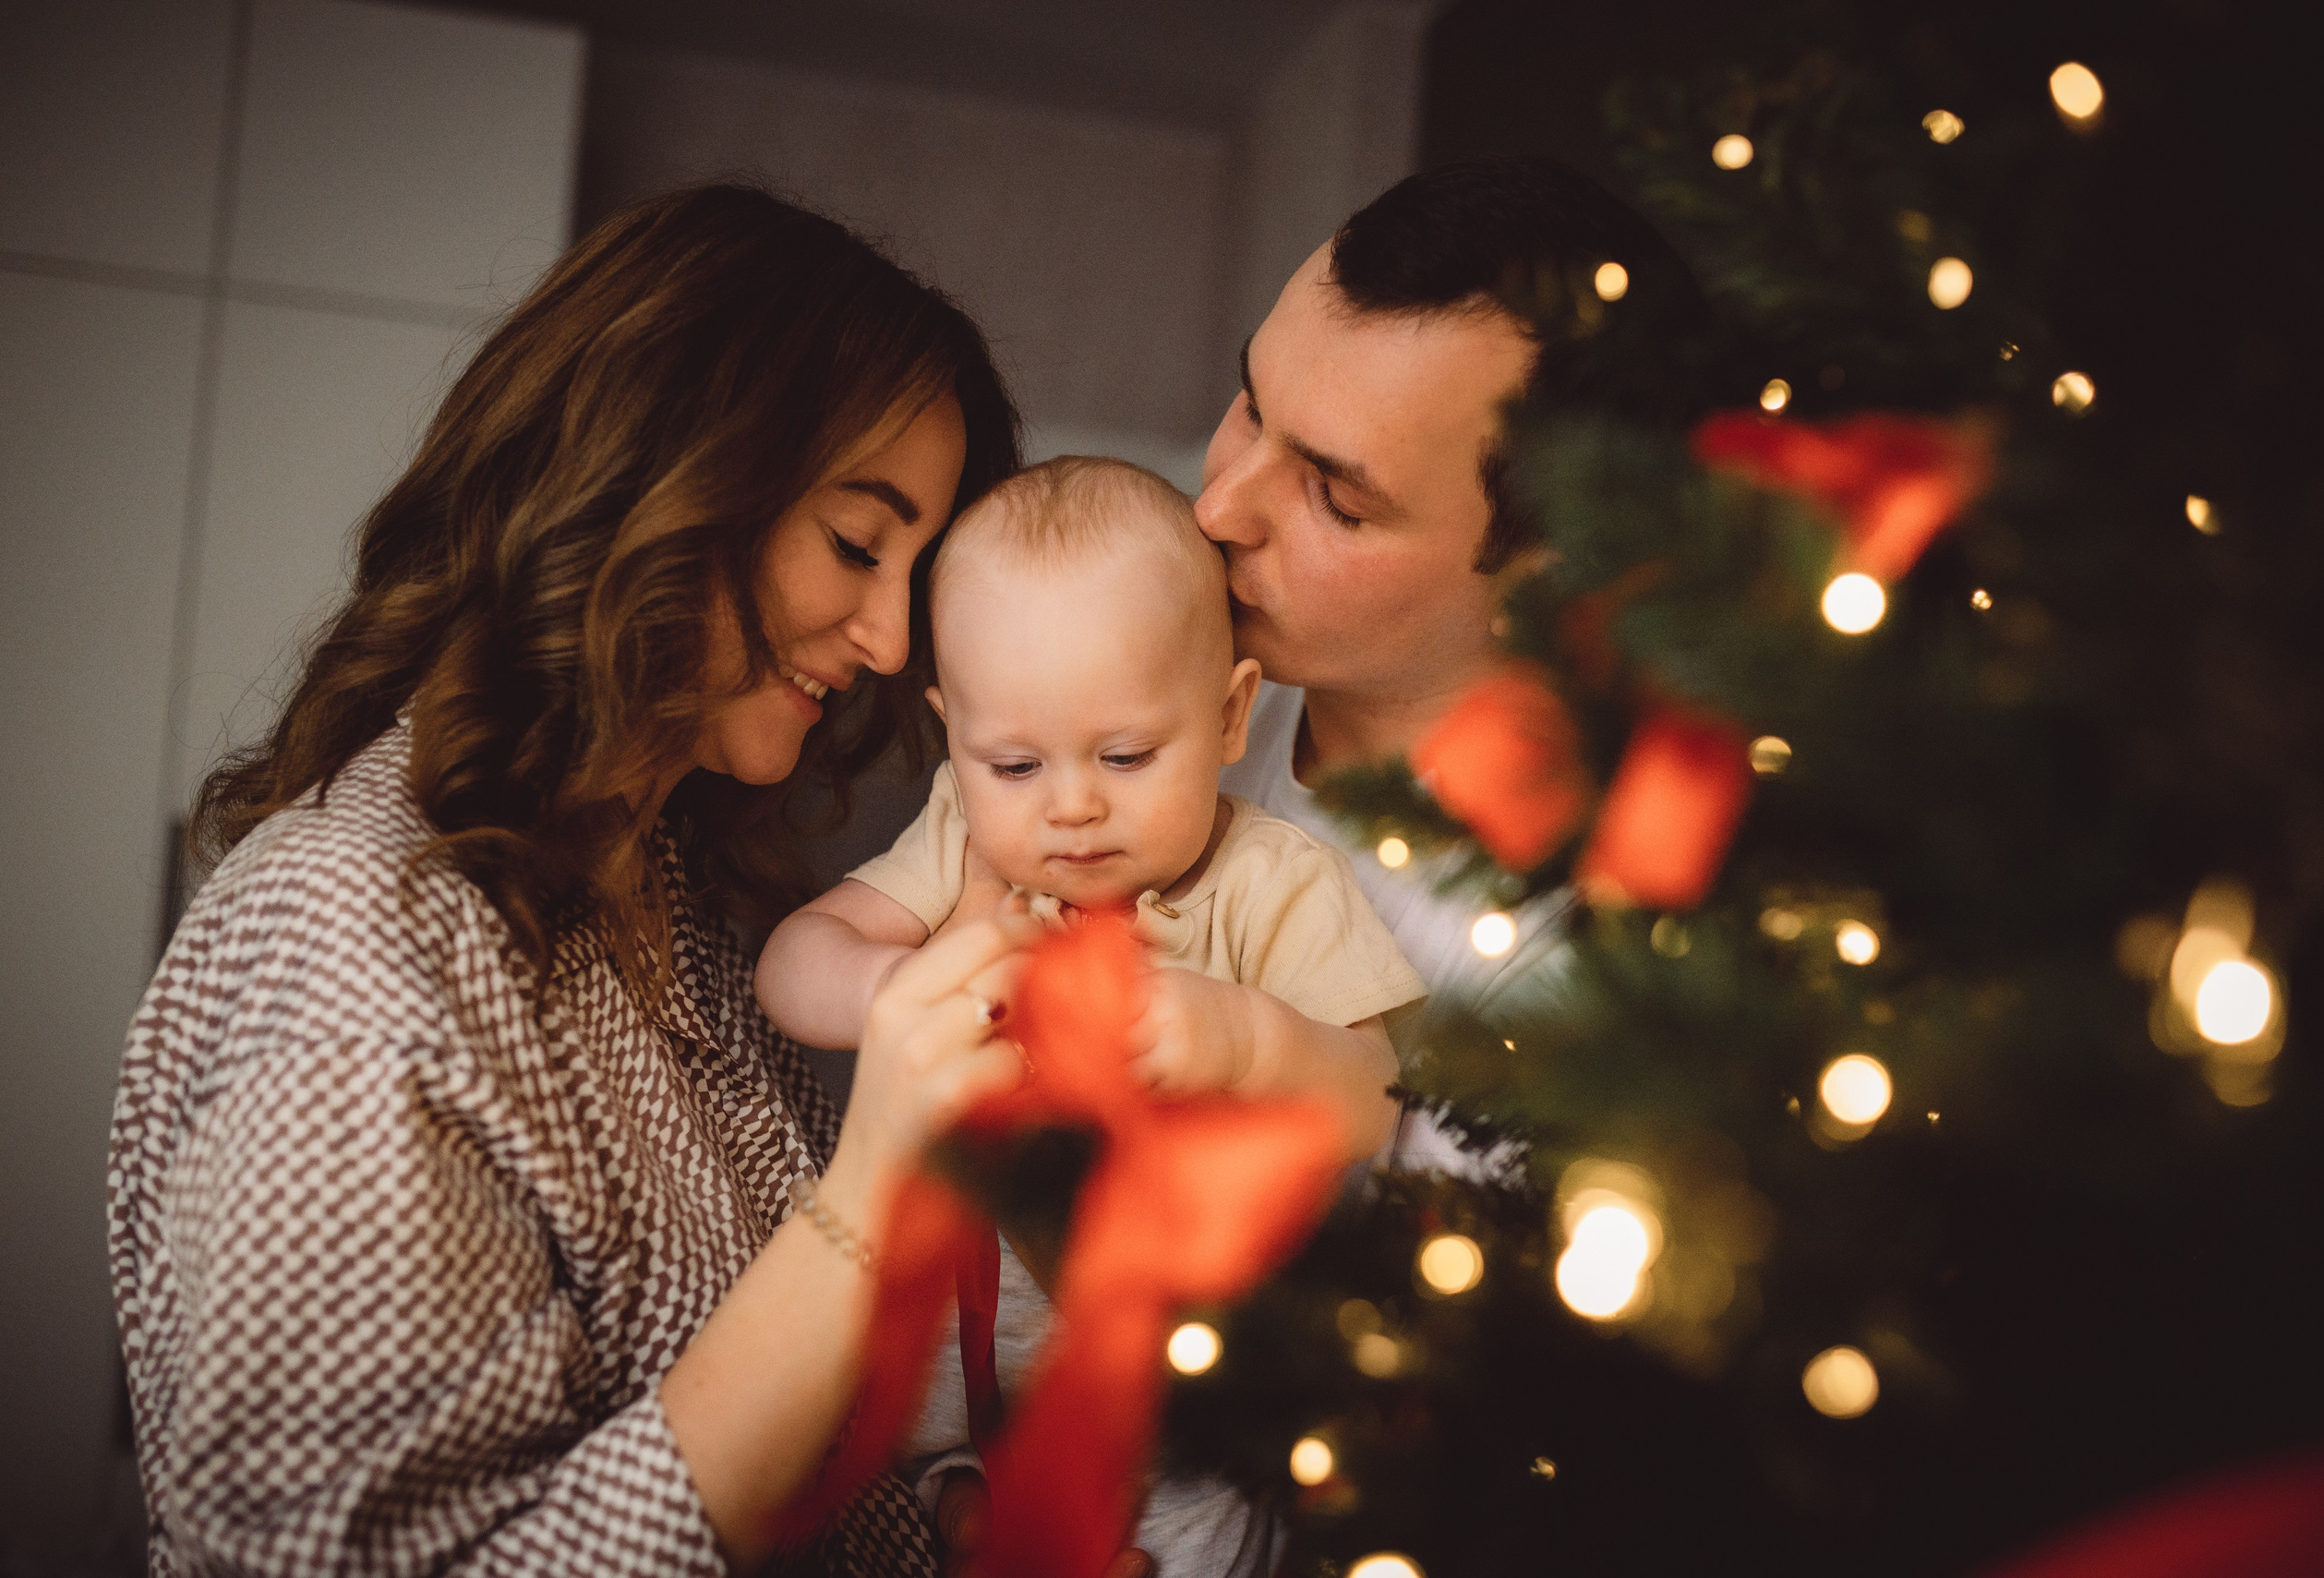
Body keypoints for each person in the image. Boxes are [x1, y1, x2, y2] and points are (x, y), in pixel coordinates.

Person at [107, 185, 1071, 1577]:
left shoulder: (658, 890)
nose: (884, 639)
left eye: (912, 579)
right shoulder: (346, 944)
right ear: (659, 476)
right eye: (859, 546)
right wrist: (872, 1192)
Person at [757, 455, 1421, 1577]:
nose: (1071, 804)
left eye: (1125, 755)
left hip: (1180, 1384)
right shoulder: (964, 842)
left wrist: (1246, 1037)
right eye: (1014, 763)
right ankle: (961, 1504)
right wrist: (892, 984)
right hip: (962, 1342)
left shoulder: (1270, 883)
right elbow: (790, 961)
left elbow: (1374, 1099)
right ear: (954, 739)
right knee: (918, 1464)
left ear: (1229, 716)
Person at [1199, 156, 1711, 1162]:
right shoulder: (1160, 607)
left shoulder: (1555, 979)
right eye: (1251, 406)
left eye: (1334, 500)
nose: (1217, 507)